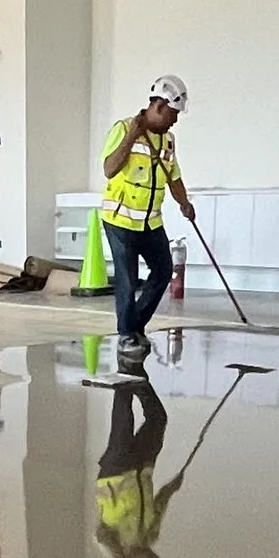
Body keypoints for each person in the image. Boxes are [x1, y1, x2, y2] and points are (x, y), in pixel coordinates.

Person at [99, 76, 196, 365]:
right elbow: (109, 169)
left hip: (150, 222)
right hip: (120, 220)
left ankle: (134, 326)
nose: (174, 121)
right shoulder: (123, 128)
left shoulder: (168, 140)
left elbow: (173, 176)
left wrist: (184, 203)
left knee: (164, 270)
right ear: (160, 105)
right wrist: (132, 136)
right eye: (173, 114)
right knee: (127, 279)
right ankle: (127, 335)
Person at [93, 376, 175, 558]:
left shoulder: (117, 548)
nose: (152, 556)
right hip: (142, 468)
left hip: (116, 473)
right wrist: (172, 488)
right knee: (158, 419)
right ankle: (136, 374)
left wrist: (122, 556)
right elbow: (160, 504)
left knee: (123, 420)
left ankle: (124, 376)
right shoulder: (151, 535)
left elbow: (100, 534)